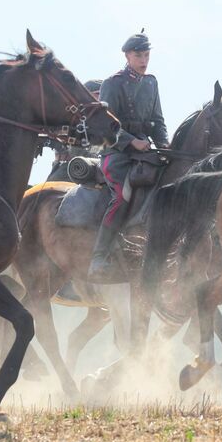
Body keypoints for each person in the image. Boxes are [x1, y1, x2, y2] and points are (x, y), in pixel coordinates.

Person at [89, 31, 168, 278]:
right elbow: (104, 124)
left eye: (147, 55)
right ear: (127, 56)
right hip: (116, 154)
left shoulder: (152, 82)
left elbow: (158, 120)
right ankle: (99, 257)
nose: (144, 60)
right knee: (122, 196)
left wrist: (164, 143)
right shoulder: (112, 83)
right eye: (139, 55)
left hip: (146, 153)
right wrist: (131, 141)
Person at [46, 80, 103, 182]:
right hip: (68, 172)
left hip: (97, 170)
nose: (101, 100)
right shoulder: (72, 119)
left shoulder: (106, 122)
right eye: (98, 94)